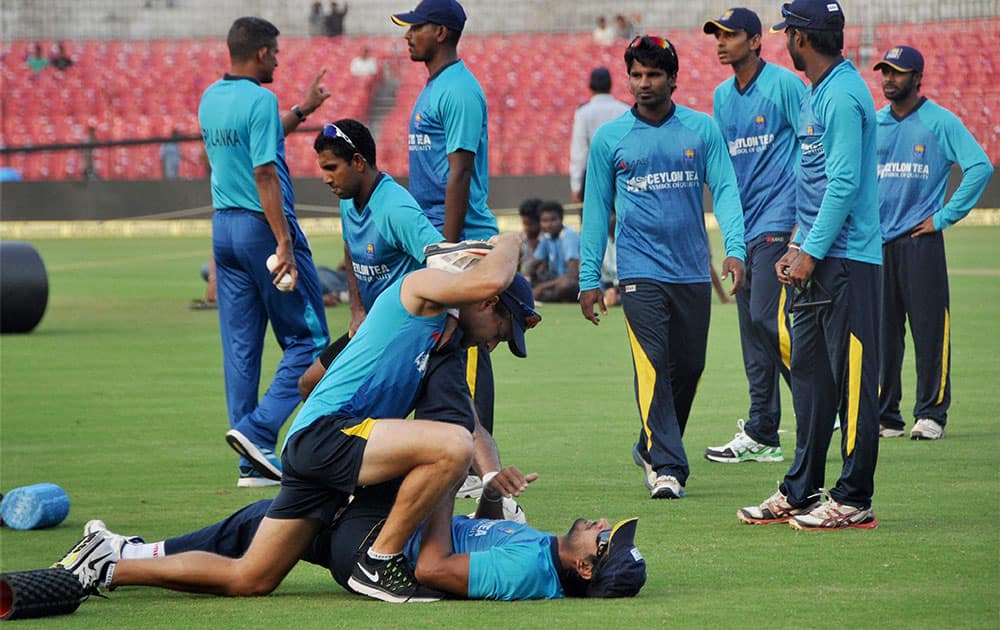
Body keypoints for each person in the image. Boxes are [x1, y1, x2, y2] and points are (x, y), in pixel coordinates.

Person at [55, 232, 539, 604]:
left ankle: (108, 564)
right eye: (503, 328)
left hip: (325, 444)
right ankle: (379, 560)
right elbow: (492, 279)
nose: (498, 341)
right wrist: (508, 239)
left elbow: (316, 384)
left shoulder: (442, 338)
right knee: (450, 445)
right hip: (328, 435)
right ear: (486, 302)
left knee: (251, 578)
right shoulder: (419, 288)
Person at [61, 466, 645, 601]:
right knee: (259, 520)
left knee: (264, 537)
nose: (599, 524)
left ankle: (115, 561)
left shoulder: (529, 572)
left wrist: (442, 486)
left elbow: (433, 569)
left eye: (603, 538)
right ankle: (124, 555)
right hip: (387, 532)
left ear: (586, 568)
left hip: (377, 549)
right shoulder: (541, 551)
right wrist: (490, 487)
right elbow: (478, 535)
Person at [578, 35, 747, 500]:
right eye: (636, 75)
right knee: (653, 366)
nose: (644, 83)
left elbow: (727, 191)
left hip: (692, 270)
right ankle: (668, 466)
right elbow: (595, 212)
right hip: (639, 271)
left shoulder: (701, 129)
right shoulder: (610, 138)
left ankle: (649, 442)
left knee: (689, 367)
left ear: (673, 78)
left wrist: (736, 248)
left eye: (654, 74)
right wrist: (589, 278)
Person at [738, 0, 882, 530]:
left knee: (852, 384)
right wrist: (797, 243)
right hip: (818, 256)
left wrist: (810, 252)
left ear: (801, 38)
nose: (783, 42)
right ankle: (802, 488)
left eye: (787, 34)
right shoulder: (818, 94)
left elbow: (843, 183)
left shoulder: (842, 95)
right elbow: (814, 184)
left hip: (846, 261)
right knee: (812, 382)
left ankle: (854, 496)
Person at [198, 17, 331, 488]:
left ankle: (250, 462)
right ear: (259, 53)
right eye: (274, 52)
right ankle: (258, 430)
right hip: (261, 228)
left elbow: (256, 137)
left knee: (241, 348)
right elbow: (264, 174)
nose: (278, 59)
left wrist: (303, 109)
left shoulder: (211, 98)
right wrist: (284, 241)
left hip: (223, 228)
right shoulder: (259, 98)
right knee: (310, 341)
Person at [391, 0, 500, 466]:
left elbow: (459, 172)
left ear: (439, 31)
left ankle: (480, 464)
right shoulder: (436, 87)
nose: (406, 35)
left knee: (467, 350)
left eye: (414, 27)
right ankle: (463, 457)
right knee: (446, 351)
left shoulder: (458, 90)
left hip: (460, 239)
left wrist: (447, 252)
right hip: (436, 235)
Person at [873, 46, 993, 441]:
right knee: (884, 335)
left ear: (918, 77)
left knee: (929, 330)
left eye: (898, 73)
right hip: (877, 244)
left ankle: (931, 414)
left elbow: (979, 165)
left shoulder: (941, 121)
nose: (890, 79)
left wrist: (943, 217)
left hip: (920, 241)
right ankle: (886, 415)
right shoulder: (874, 124)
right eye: (885, 72)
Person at [701, 8, 804, 464]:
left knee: (767, 319)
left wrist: (805, 219)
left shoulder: (784, 85)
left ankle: (825, 396)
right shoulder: (722, 96)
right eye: (717, 36)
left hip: (781, 219)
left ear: (757, 40)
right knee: (751, 331)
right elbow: (726, 171)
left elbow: (810, 145)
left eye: (730, 35)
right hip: (743, 227)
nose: (721, 42)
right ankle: (763, 431)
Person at [295, 119, 443, 399]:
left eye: (331, 169)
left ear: (358, 162)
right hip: (373, 326)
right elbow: (350, 250)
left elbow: (442, 260)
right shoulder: (347, 200)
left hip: (405, 332)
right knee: (309, 384)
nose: (326, 178)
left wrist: (449, 322)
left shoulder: (395, 208)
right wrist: (356, 310)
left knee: (357, 400)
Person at [569, 67, 630, 204]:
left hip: (593, 175)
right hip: (621, 173)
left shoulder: (583, 113)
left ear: (590, 86)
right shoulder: (624, 110)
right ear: (610, 85)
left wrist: (576, 185)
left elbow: (580, 152)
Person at [527, 201, 580, 303]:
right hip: (555, 280)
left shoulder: (569, 236)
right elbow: (532, 265)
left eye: (553, 220)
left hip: (574, 281)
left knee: (565, 286)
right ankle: (548, 297)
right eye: (544, 221)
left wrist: (542, 287)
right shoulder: (546, 237)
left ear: (561, 219)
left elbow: (572, 274)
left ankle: (547, 298)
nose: (549, 225)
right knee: (526, 282)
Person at [518, 198, 543, 275]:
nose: (526, 228)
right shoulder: (522, 239)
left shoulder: (546, 240)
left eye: (530, 224)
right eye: (524, 224)